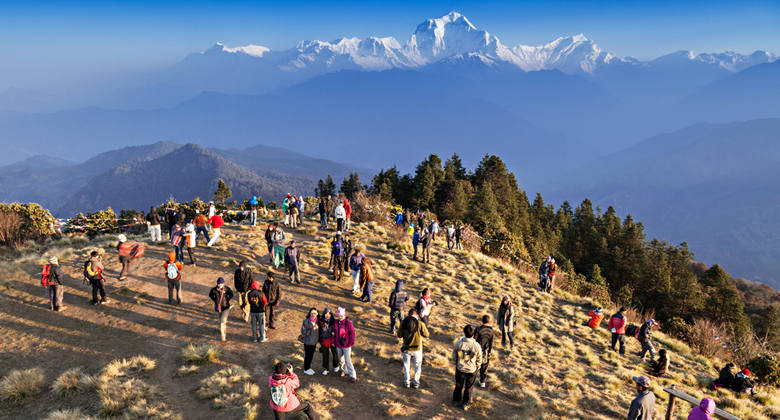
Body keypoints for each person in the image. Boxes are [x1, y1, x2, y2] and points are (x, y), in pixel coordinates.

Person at [397, 309, 430, 389]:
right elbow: (426, 335)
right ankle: (416, 383)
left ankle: (407, 382)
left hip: (406, 348)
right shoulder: (420, 324)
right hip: (417, 349)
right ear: (417, 315)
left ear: (408, 314)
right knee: (417, 366)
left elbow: (399, 335)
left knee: (406, 365)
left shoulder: (403, 323)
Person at [452, 325, 482, 411]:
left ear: (464, 333)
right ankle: (466, 404)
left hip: (460, 368)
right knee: (469, 387)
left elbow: (454, 354)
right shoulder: (477, 345)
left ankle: (456, 401)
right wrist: (477, 366)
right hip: (472, 370)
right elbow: (479, 358)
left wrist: (455, 363)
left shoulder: (458, 343)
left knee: (458, 385)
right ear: (473, 334)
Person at [333, 307, 357, 383]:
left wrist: (351, 343)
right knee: (341, 359)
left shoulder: (349, 323)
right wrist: (333, 341)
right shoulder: (336, 322)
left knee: (347, 360)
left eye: (342, 316)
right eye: (339, 316)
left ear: (344, 315)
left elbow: (352, 333)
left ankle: (353, 375)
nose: (340, 317)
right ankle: (344, 370)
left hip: (347, 344)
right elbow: (333, 332)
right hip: (338, 344)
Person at [209, 277, 233, 341]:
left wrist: (227, 300)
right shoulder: (214, 290)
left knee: (223, 322)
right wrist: (215, 300)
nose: (220, 285)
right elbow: (210, 295)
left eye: (221, 284)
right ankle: (220, 328)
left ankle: (223, 336)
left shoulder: (227, 289)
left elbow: (231, 294)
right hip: (218, 308)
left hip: (225, 307)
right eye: (219, 284)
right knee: (219, 321)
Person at [473, 315, 494, 388]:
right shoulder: (491, 330)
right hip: (486, 351)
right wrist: (489, 352)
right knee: (484, 367)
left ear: (482, 320)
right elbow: (491, 342)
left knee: (475, 366)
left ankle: (472, 380)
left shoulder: (478, 329)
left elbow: (474, 340)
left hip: (477, 350)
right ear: (489, 321)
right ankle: (482, 382)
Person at [318, 308, 339, 375]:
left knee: (335, 353)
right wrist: (320, 340)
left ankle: (336, 365)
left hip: (333, 340)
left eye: (329, 314)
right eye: (326, 313)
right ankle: (325, 368)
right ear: (324, 314)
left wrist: (335, 334)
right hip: (324, 340)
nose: (327, 315)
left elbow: (337, 330)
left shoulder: (334, 321)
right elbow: (318, 331)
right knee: (325, 355)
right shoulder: (320, 321)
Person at [300, 308, 320, 376]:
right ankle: (306, 369)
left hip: (314, 342)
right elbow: (303, 332)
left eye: (314, 313)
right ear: (310, 313)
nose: (313, 315)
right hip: (308, 341)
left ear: (317, 313)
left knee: (311, 355)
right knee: (307, 355)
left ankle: (309, 367)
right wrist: (312, 329)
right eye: (312, 313)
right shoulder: (306, 321)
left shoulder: (319, 321)